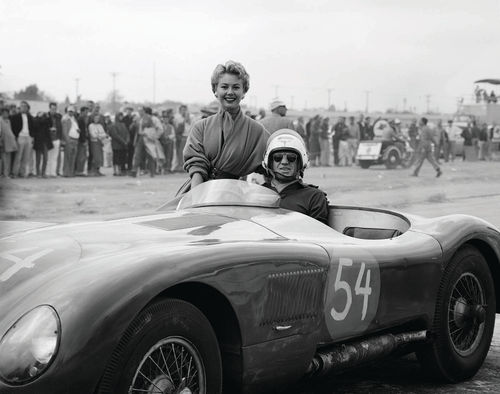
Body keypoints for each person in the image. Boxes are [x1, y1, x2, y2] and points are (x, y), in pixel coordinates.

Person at [182, 60, 270, 192]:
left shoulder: (257, 131)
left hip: (235, 196)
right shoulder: (201, 127)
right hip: (199, 191)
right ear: (215, 90)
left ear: (244, 91)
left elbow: (272, 165)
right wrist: (196, 200)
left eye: (236, 87)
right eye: (224, 87)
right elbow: (197, 168)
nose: (230, 92)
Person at [262, 129, 329, 225]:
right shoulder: (257, 194)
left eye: (291, 158)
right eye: (277, 157)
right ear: (270, 162)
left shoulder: (314, 197)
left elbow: (318, 235)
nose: (284, 162)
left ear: (300, 163)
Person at [10, 100, 36, 178]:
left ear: (28, 108)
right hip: (20, 137)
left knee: (26, 156)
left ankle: (22, 172)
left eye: (25, 106)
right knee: (18, 156)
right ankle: (15, 173)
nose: (23, 108)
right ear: (20, 107)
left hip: (28, 137)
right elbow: (13, 128)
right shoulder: (15, 117)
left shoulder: (30, 117)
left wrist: (32, 137)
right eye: (22, 106)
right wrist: (15, 136)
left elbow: (33, 128)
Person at [45, 102, 63, 177]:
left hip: (56, 138)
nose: (54, 110)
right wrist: (49, 129)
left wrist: (60, 138)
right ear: (49, 108)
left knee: (55, 157)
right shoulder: (46, 116)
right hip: (49, 139)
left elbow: (61, 128)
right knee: (48, 156)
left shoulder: (58, 117)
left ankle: (53, 172)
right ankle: (47, 172)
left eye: (55, 109)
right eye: (52, 109)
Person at [61, 106, 80, 177]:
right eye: (70, 111)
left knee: (73, 157)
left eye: (72, 111)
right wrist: (67, 140)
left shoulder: (74, 119)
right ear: (67, 111)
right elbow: (64, 131)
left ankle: (71, 172)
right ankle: (66, 172)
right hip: (70, 139)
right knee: (67, 157)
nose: (71, 113)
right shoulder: (65, 119)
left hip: (75, 139)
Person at [33, 111, 53, 177]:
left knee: (45, 158)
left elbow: (51, 124)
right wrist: (38, 117)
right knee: (38, 159)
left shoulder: (46, 121)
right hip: (38, 141)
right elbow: (35, 124)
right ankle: (38, 173)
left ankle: (43, 172)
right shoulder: (36, 120)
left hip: (45, 141)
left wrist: (48, 116)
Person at [173, 104, 192, 172]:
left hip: (188, 138)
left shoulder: (191, 120)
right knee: (180, 153)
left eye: (185, 110)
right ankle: (180, 166)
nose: (184, 112)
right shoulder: (177, 119)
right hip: (181, 138)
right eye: (182, 110)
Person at [0, 107, 17, 177]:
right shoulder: (0, 120)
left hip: (9, 142)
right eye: (4, 113)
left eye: (7, 113)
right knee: (3, 159)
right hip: (2, 141)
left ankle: (6, 173)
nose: (6, 114)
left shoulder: (8, 121)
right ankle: (2, 173)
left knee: (8, 159)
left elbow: (10, 132)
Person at [75, 106, 90, 176]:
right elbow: (81, 132)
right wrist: (83, 140)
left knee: (83, 156)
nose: (87, 113)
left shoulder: (83, 119)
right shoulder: (80, 119)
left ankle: (80, 170)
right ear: (82, 112)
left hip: (84, 140)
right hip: (81, 141)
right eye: (86, 112)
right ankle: (79, 171)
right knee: (81, 156)